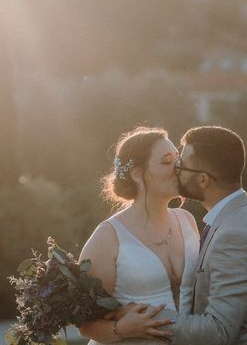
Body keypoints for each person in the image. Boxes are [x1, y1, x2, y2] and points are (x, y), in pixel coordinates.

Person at [113, 126, 247, 345]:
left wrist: (144, 319)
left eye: (181, 165)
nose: (176, 170)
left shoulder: (236, 234)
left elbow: (218, 330)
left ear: (203, 180)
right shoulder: (233, 220)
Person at [78, 126, 201, 344]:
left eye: (177, 159)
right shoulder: (108, 236)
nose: (178, 168)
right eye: (166, 162)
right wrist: (122, 329)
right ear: (137, 174)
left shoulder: (187, 221)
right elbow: (86, 324)